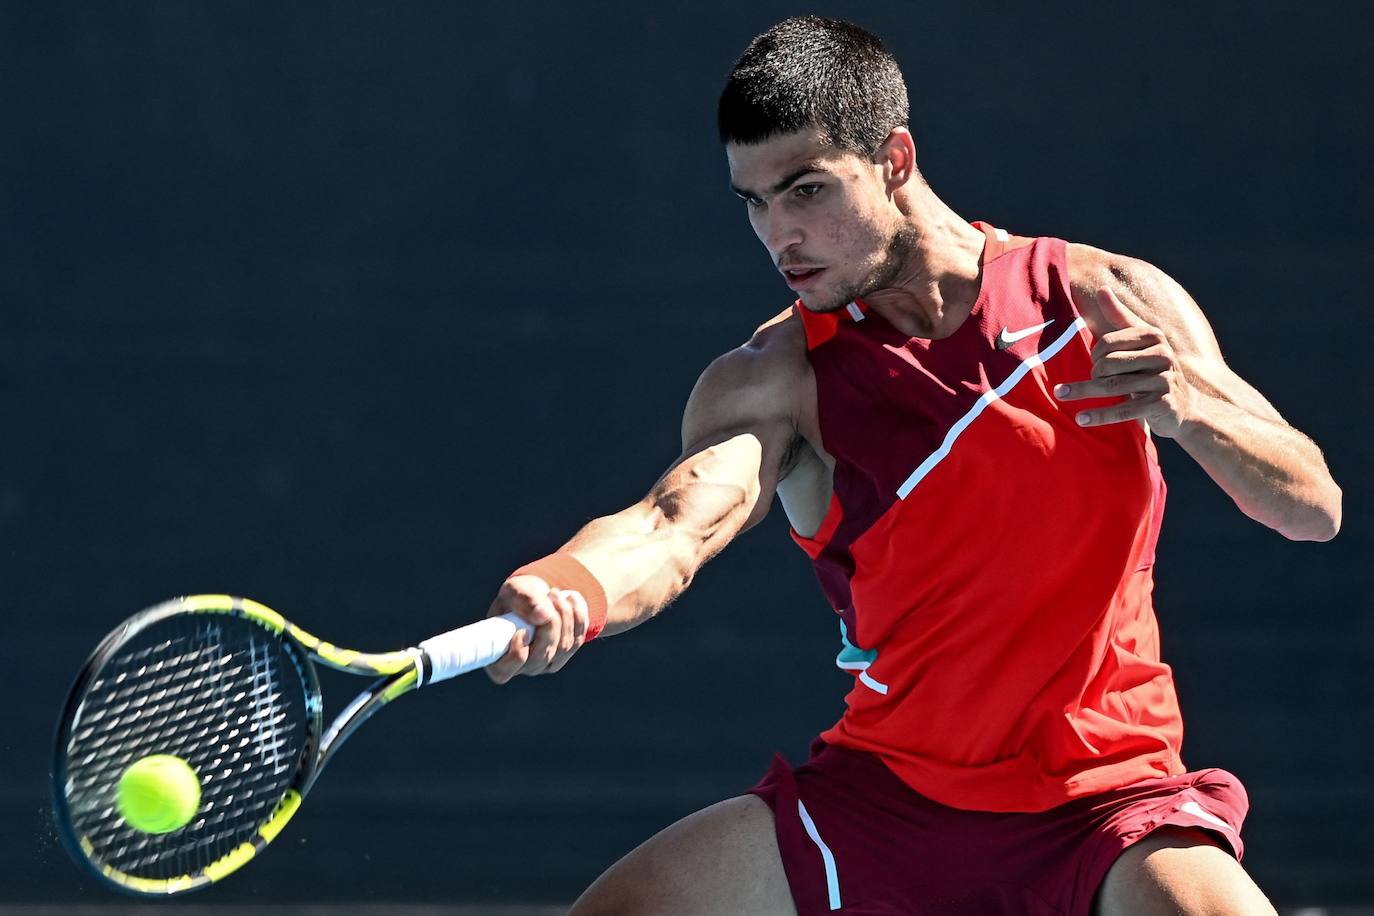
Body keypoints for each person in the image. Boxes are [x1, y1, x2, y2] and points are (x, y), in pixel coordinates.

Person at [481, 16, 1341, 916]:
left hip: (1111, 804)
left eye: (806, 189)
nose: (781, 236)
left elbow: (1313, 504)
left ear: (895, 158)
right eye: (754, 202)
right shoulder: (779, 379)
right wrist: (569, 585)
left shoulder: (1096, 300)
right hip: (885, 804)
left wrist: (1192, 411)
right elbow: (674, 523)